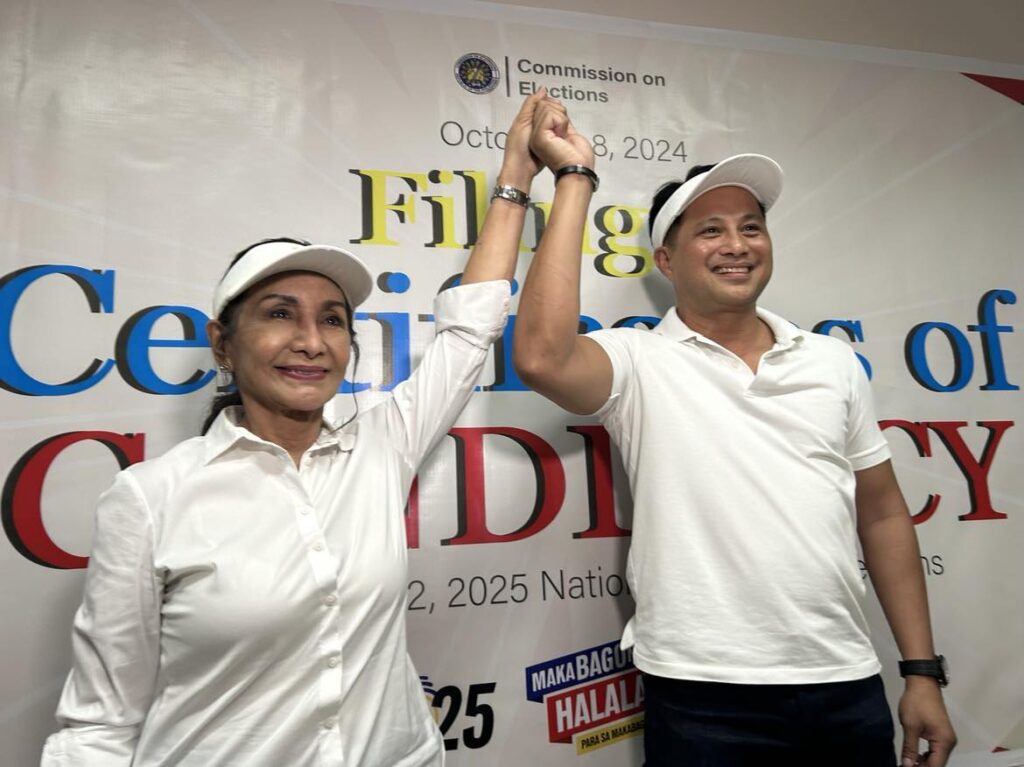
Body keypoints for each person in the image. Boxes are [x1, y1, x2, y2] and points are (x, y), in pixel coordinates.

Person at [41, 92, 547, 767]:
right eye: (280, 313)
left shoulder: (379, 445)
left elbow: (470, 327)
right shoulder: (150, 498)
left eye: (332, 319)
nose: (311, 341)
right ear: (224, 342)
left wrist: (517, 172)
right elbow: (100, 723)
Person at [512, 97, 957, 766]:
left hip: (844, 681)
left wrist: (920, 669)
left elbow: (886, 512)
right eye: (711, 230)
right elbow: (542, 356)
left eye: (752, 227)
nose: (737, 245)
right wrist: (574, 177)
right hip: (702, 696)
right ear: (667, 260)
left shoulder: (831, 361)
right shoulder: (638, 363)